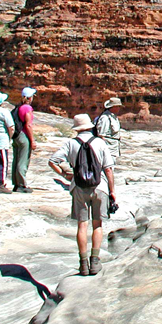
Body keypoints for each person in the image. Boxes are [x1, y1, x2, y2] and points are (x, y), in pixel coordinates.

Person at [48, 114, 116, 276]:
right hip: (100, 187)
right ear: (90, 126)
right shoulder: (100, 143)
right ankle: (95, 261)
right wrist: (112, 190)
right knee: (97, 224)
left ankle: (83, 263)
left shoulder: (71, 143)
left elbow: (52, 161)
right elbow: (108, 169)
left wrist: (65, 176)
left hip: (78, 187)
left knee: (82, 225)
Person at [11, 87, 37, 193]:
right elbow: (28, 125)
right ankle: (21, 184)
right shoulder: (27, 108)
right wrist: (32, 140)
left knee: (16, 160)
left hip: (16, 136)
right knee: (23, 160)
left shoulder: (18, 107)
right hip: (23, 136)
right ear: (30, 98)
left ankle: (16, 184)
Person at [93, 97, 122, 161]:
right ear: (113, 107)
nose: (119, 108)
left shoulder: (113, 117)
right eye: (118, 106)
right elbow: (101, 135)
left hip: (113, 148)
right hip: (108, 149)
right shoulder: (105, 118)